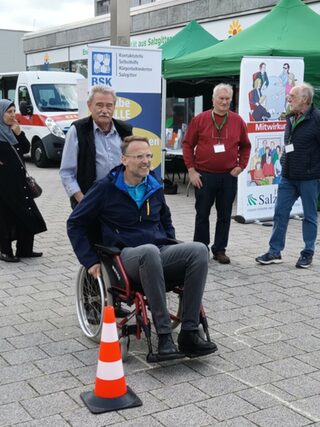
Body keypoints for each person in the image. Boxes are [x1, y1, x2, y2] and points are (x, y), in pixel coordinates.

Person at [67, 135, 218, 359]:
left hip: (158, 251)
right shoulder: (105, 188)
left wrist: (170, 241)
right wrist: (89, 260)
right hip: (125, 257)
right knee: (148, 251)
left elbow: (165, 219)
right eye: (139, 156)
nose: (146, 161)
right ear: (124, 160)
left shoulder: (154, 184)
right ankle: (164, 337)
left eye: (149, 156)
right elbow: (75, 223)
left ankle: (189, 332)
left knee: (198, 249)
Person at [183, 83, 251, 264]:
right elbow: (187, 144)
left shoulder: (238, 121)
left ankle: (220, 249)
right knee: (202, 213)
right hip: (204, 175)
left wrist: (241, 166)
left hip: (228, 176)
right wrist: (191, 170)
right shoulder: (200, 119)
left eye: (228, 98)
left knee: (225, 215)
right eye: (221, 98)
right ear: (213, 99)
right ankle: (200, 249)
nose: (224, 102)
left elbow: (245, 146)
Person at [256, 83, 320, 269]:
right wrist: (284, 162)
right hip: (288, 176)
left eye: (292, 96)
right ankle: (274, 251)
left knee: (309, 216)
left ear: (305, 100)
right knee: (280, 213)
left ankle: (307, 253)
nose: (288, 98)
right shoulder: (291, 116)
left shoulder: (316, 118)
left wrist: (314, 169)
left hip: (309, 177)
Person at [59, 85, 132, 208]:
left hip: (120, 200)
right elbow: (67, 172)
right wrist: (82, 200)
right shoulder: (77, 130)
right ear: (89, 105)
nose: (104, 110)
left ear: (114, 107)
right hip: (89, 200)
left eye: (109, 105)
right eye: (99, 105)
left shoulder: (125, 130)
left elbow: (132, 165)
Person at [0, 100, 47, 262]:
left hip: (20, 182)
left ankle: (25, 249)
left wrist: (19, 133)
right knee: (5, 218)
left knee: (27, 213)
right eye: (9, 112)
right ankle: (5, 251)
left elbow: (26, 149)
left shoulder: (12, 131)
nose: (13, 115)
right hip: (4, 185)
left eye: (14, 111)